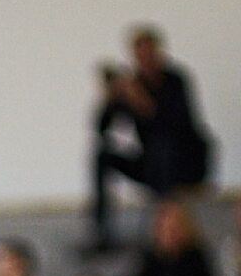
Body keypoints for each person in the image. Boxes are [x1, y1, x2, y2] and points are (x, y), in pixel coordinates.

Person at [87, 29, 215, 251]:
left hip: (185, 163)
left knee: (163, 146)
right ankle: (102, 233)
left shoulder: (175, 81)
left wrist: (141, 101)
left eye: (149, 54)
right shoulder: (133, 84)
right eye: (140, 55)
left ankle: (164, 226)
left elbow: (177, 125)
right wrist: (109, 98)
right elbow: (102, 130)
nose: (145, 60)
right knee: (103, 156)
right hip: (151, 166)